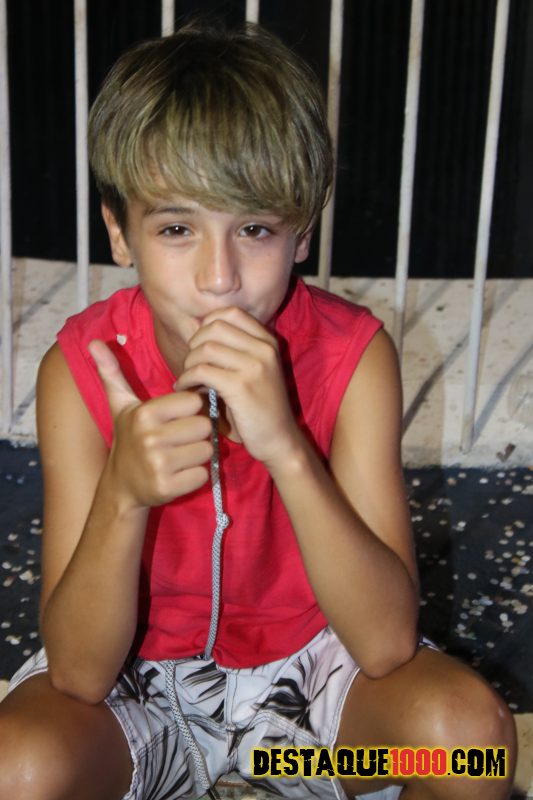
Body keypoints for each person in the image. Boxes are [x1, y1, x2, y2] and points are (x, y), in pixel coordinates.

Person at [0, 20, 516, 800]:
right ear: (119, 232)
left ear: (301, 233)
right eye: (177, 228)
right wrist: (123, 496)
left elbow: (384, 645)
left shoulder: (352, 357)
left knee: (467, 747)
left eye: (254, 229)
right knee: (19, 767)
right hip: (141, 710)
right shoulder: (82, 371)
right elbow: (77, 673)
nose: (219, 278)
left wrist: (286, 449)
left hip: (303, 735)